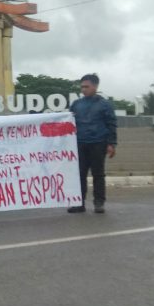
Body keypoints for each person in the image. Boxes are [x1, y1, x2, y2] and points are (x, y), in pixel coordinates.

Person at [67, 73, 117, 214]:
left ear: (95, 86)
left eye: (86, 86)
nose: (83, 89)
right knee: (79, 175)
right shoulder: (76, 104)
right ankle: (79, 203)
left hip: (98, 143)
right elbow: (68, 123)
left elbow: (111, 124)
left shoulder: (105, 105)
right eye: (82, 87)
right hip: (80, 144)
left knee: (98, 174)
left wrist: (111, 144)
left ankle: (99, 203)